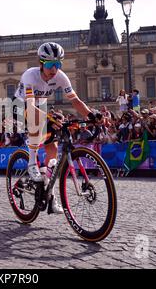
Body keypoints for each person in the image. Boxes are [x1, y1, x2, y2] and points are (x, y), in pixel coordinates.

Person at [14, 42, 101, 214]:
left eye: (58, 64)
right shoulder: (31, 76)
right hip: (21, 105)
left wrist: (91, 116)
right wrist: (48, 118)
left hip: (42, 105)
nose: (54, 69)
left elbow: (75, 101)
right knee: (36, 121)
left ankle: (50, 195)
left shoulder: (61, 77)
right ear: (41, 63)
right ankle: (32, 162)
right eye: (49, 65)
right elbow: (30, 106)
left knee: (53, 149)